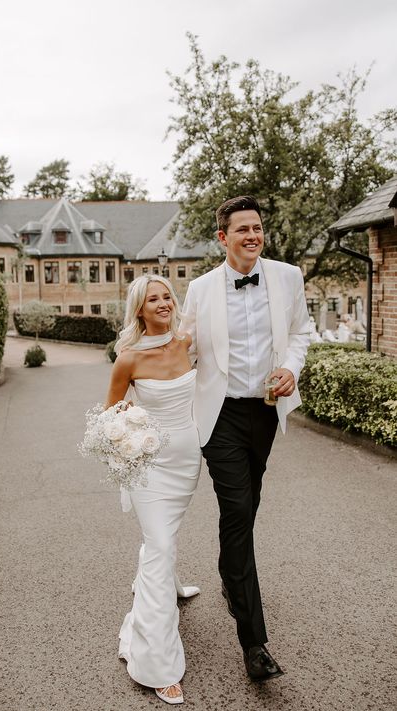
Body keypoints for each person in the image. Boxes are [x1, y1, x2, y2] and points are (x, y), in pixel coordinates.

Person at [181, 195, 310, 682]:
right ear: (223, 238)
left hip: (266, 412)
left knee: (247, 507)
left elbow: (301, 332)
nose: (253, 236)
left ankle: (229, 575)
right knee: (237, 509)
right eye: (243, 230)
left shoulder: (288, 276)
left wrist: (291, 369)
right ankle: (253, 642)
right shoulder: (201, 288)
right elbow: (184, 347)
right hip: (219, 414)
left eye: (258, 227)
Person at [105, 275, 201, 705]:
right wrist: (129, 429)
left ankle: (169, 584)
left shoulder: (187, 342)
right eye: (153, 299)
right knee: (160, 544)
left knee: (162, 543)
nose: (163, 303)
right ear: (138, 310)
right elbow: (109, 417)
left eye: (167, 296)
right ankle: (158, 665)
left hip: (187, 464)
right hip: (149, 466)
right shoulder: (127, 359)